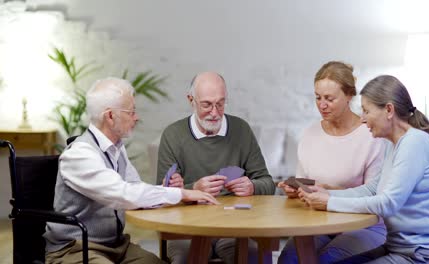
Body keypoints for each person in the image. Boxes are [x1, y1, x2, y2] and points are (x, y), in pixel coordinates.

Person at [43, 77, 218, 264]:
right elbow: (124, 194)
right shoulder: (80, 155)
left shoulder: (117, 148)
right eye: (131, 111)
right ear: (110, 116)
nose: (137, 117)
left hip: (116, 246)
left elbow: (134, 188)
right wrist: (181, 193)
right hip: (75, 249)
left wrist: (164, 191)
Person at [299, 75, 429, 264]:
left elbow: (388, 204)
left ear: (389, 110)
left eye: (366, 111)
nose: (362, 119)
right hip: (400, 248)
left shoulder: (415, 142)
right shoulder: (393, 144)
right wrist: (327, 194)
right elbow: (372, 189)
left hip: (426, 255)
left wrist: (328, 203)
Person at [157, 71, 276, 263]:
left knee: (254, 257)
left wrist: (253, 186)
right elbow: (160, 196)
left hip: (234, 227)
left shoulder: (241, 130)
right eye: (207, 104)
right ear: (191, 100)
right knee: (185, 259)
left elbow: (268, 183)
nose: (214, 112)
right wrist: (192, 190)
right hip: (188, 229)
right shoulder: (173, 135)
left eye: (220, 104)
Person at [277, 61, 387, 263]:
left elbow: (376, 197)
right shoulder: (310, 134)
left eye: (329, 98)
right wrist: (296, 190)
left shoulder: (371, 135)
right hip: (319, 222)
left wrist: (330, 191)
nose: (322, 104)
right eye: (318, 97)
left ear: (349, 96)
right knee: (289, 259)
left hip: (362, 225)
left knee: (329, 259)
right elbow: (306, 183)